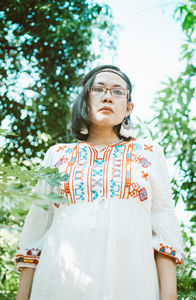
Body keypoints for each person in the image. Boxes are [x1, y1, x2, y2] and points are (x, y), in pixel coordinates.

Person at [16, 65, 184, 300]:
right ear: (85, 100)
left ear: (128, 108)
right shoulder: (57, 155)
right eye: (99, 89)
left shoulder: (149, 153)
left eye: (117, 91)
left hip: (133, 285)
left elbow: (165, 230)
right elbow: (34, 233)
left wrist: (169, 295)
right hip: (58, 285)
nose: (107, 96)